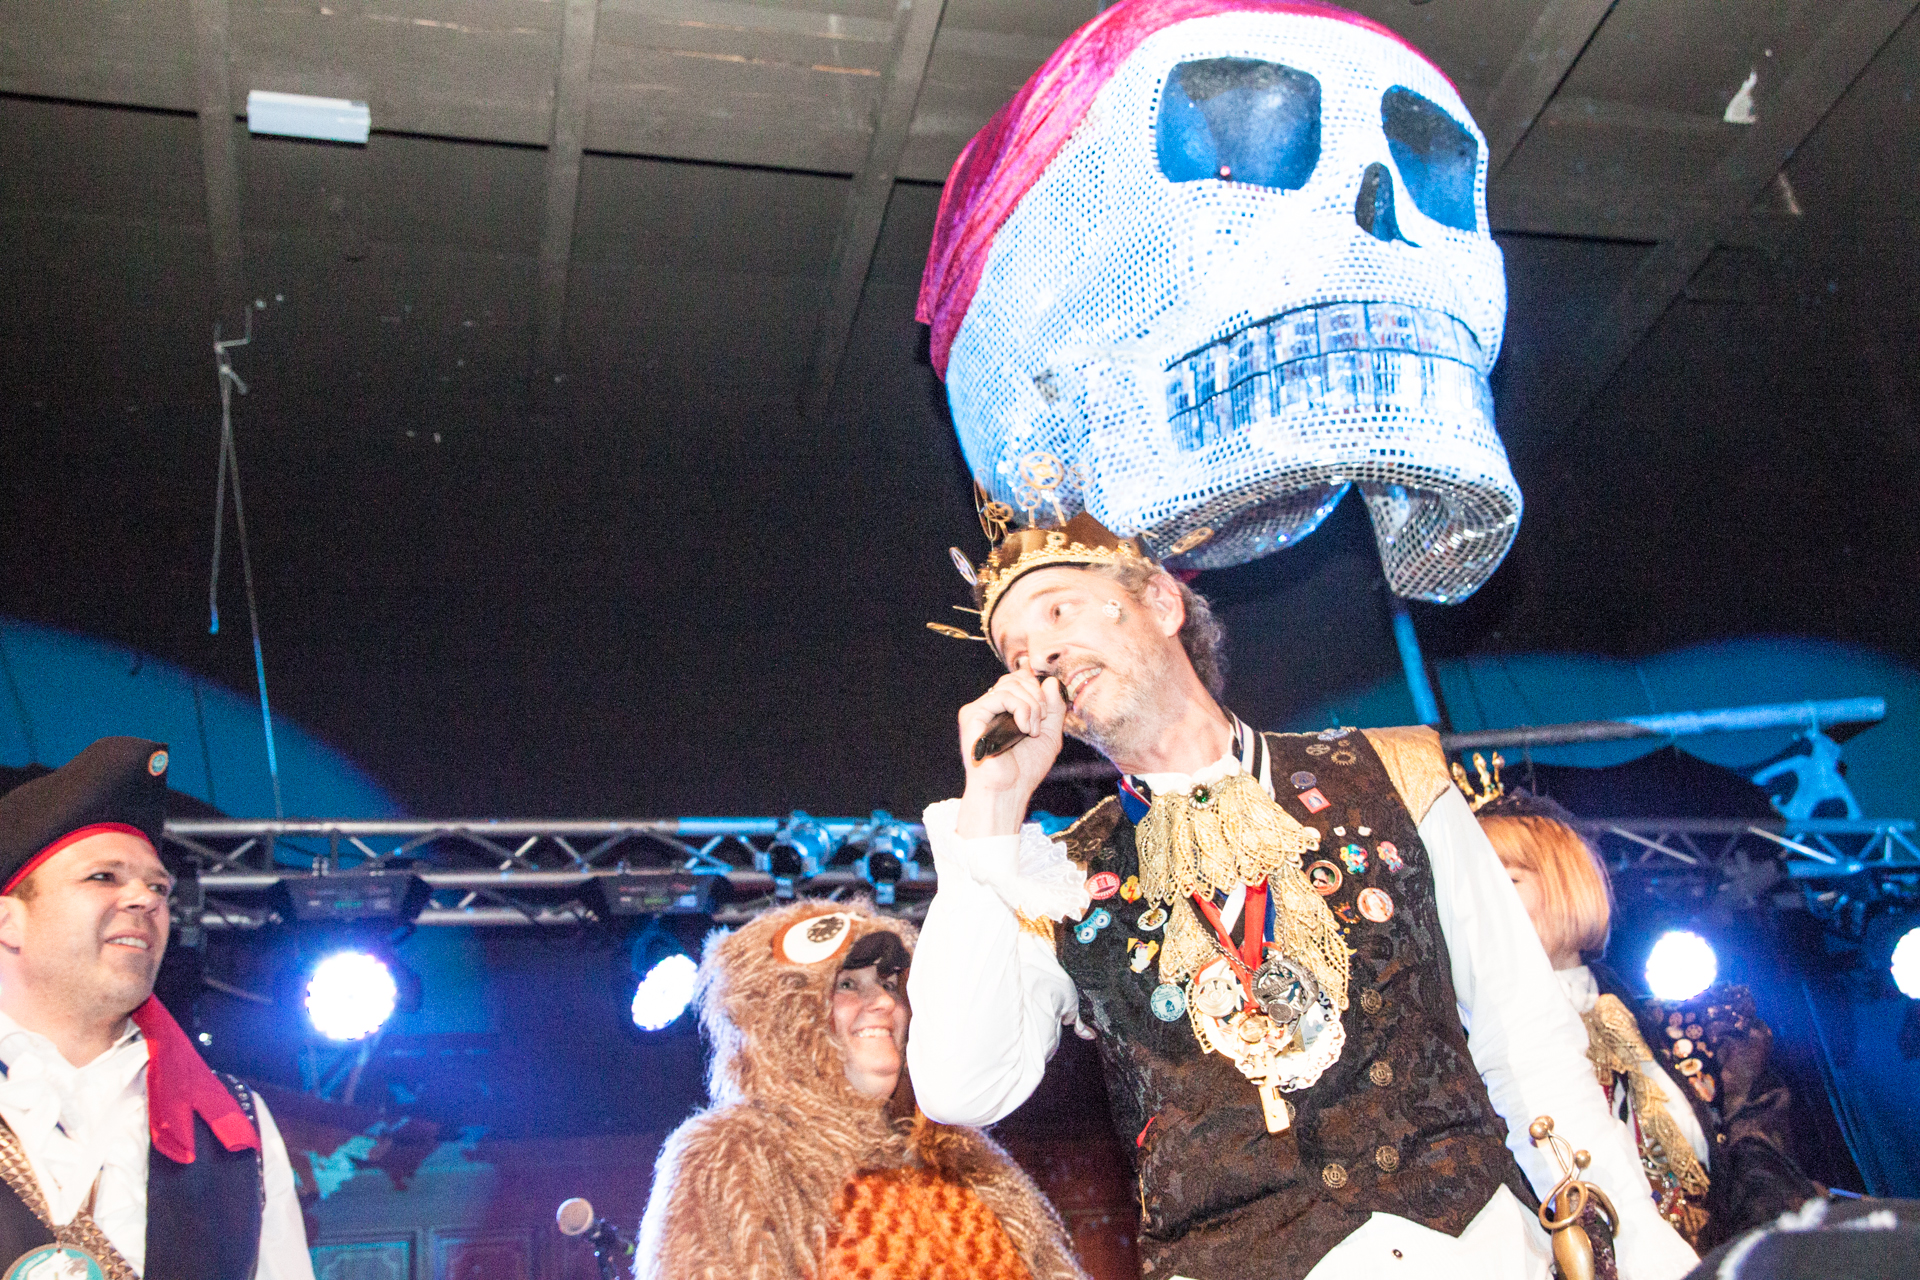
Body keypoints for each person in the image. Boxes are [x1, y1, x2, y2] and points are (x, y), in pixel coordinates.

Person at [905, 513, 1702, 1280]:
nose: (1040, 655)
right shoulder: (1055, 874)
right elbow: (959, 1088)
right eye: (1016, 652)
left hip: (1478, 1251)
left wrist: (1635, 1237)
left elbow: (1523, 1032)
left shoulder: (1391, 773)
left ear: (1162, 601)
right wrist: (990, 812)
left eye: (1059, 611)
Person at [634, 898, 1086, 1279]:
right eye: (847, 984)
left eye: (890, 984)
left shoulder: (965, 1158)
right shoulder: (737, 1155)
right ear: (785, 1016)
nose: (884, 1002)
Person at [0, 736, 313, 1279]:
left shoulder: (236, 1125)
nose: (147, 898)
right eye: (103, 876)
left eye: (158, 887)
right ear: (8, 922)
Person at [1476, 783, 1820, 1252]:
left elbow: (1768, 1187)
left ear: (1565, 881)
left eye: (1507, 882)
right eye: (1472, 891)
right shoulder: (1461, 1052)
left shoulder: (1704, 1033)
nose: (1483, 906)